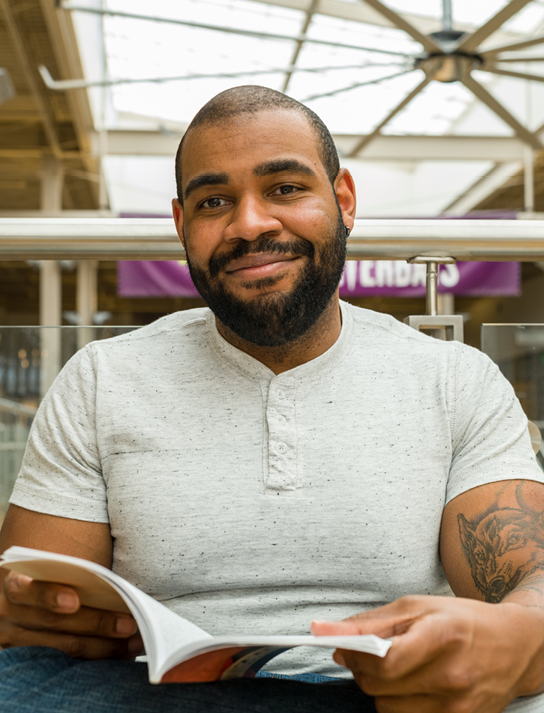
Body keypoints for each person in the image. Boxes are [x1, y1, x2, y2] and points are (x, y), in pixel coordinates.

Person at [0, 85, 543, 713]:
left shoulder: (455, 379)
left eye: (285, 188)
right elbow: (37, 613)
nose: (250, 224)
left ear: (343, 201)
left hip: (383, 693)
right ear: (182, 226)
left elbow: (527, 577)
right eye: (214, 201)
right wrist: (32, 616)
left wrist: (521, 633)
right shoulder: (101, 378)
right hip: (149, 694)